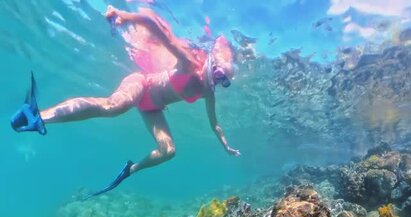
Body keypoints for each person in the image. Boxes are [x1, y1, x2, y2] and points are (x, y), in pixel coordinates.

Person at [10, 5, 240, 197]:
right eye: (220, 76)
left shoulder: (208, 92)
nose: (220, 82)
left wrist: (226, 146)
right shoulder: (189, 63)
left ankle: (131, 169)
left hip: (154, 108)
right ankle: (40, 116)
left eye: (225, 82)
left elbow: (214, 123)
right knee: (114, 107)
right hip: (142, 85)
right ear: (212, 64)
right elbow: (158, 29)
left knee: (169, 151)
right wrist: (125, 16)